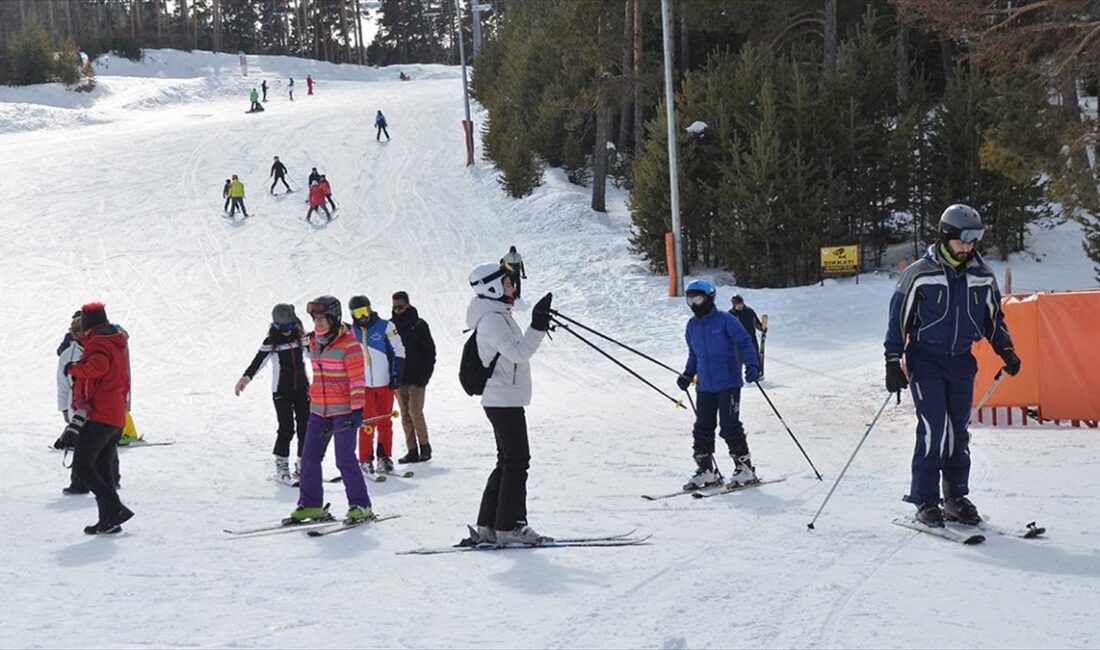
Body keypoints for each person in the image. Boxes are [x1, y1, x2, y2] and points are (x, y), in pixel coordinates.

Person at [884, 204, 1020, 528]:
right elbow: (897, 320)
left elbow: (993, 320)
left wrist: (1007, 350)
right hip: (924, 358)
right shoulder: (919, 274)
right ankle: (926, 500)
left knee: (958, 430)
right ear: (946, 237)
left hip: (961, 360)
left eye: (974, 241)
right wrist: (892, 361)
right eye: (962, 240)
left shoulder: (982, 276)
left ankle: (955, 497)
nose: (968, 247)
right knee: (934, 429)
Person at [463, 263, 554, 546]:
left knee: (507, 461)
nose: (512, 286)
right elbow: (518, 353)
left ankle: (489, 525)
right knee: (517, 461)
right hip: (502, 399)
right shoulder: (491, 320)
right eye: (507, 282)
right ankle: (510, 525)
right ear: (492, 287)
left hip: (504, 398)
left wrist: (538, 322)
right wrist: (537, 324)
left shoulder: (498, 315)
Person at [289, 296, 373, 524]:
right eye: (315, 318)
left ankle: (361, 505)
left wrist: (358, 410)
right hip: (318, 411)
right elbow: (294, 339)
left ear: (334, 318)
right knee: (309, 459)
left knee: (344, 459)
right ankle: (310, 505)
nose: (318, 322)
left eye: (323, 318)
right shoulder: (314, 341)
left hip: (344, 411)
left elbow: (357, 380)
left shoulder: (349, 344)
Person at [676, 279, 761, 490]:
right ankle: (707, 471)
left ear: (709, 298)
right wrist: (688, 374)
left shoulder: (725, 320)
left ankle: (745, 469)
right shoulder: (692, 326)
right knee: (702, 428)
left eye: (698, 299)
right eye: (690, 300)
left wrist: (752, 364)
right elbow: (694, 354)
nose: (695, 304)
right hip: (705, 385)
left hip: (728, 382)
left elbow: (744, 341)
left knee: (729, 425)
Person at [61, 303, 134, 535]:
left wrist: (74, 368)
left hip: (100, 415)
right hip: (114, 415)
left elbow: (97, 367)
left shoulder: (99, 342)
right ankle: (110, 520)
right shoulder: (114, 340)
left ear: (88, 325)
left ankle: (115, 511)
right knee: (102, 469)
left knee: (83, 466)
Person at [235, 304, 311, 486]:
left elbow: (317, 356)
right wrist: (245, 378)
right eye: (282, 328)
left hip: (303, 389)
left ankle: (304, 465)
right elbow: (257, 363)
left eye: (290, 326)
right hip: (281, 391)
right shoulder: (271, 342)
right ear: (275, 325)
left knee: (305, 427)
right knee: (286, 428)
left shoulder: (302, 339)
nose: (286, 331)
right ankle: (282, 467)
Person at [348, 295, 405, 478]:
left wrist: (396, 375)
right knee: (367, 424)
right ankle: (365, 460)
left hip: (385, 383)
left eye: (365, 310)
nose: (363, 316)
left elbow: (399, 350)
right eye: (358, 313)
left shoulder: (385, 326)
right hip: (363, 386)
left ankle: (384, 458)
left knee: (385, 422)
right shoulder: (350, 332)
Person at [390, 291, 436, 464]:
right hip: (399, 380)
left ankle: (425, 446)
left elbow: (429, 352)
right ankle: (412, 450)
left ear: (408, 304)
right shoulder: (391, 326)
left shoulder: (419, 324)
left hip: (417, 379)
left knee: (415, 412)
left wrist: (424, 376)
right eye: (394, 307)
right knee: (405, 416)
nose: (397, 310)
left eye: (400, 307)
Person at [730, 294, 766, 378]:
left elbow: (756, 323)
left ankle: (757, 374)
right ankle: (736, 377)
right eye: (737, 304)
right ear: (734, 305)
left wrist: (762, 328)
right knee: (738, 360)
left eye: (740, 303)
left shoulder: (749, 311)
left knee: (754, 357)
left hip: (750, 339)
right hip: (737, 342)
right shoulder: (731, 315)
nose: (739, 306)